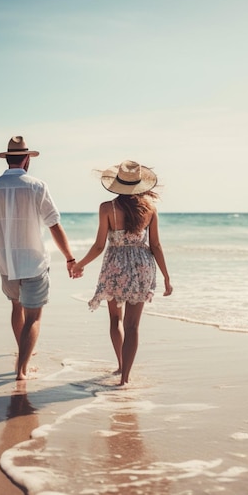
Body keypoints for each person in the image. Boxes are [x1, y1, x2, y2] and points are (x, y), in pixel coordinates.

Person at [0, 135, 77, 381]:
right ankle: (21, 370)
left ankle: (23, 359)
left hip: (5, 263)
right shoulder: (37, 186)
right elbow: (54, 224)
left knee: (16, 307)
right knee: (33, 317)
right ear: (26, 159)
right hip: (34, 263)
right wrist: (70, 258)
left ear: (8, 158)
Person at [72, 160, 172, 385]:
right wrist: (166, 276)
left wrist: (80, 264)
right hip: (142, 265)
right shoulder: (149, 208)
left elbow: (99, 246)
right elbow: (155, 245)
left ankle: (119, 364)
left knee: (115, 319)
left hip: (116, 265)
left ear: (117, 183)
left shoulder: (107, 208)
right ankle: (125, 377)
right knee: (133, 326)